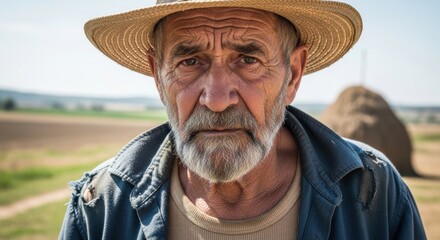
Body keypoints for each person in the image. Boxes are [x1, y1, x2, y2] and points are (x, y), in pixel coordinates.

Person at [60, 0, 426, 239]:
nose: (217, 100)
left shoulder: (372, 195)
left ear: (293, 74)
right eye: (190, 61)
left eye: (248, 60)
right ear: (158, 75)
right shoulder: (102, 205)